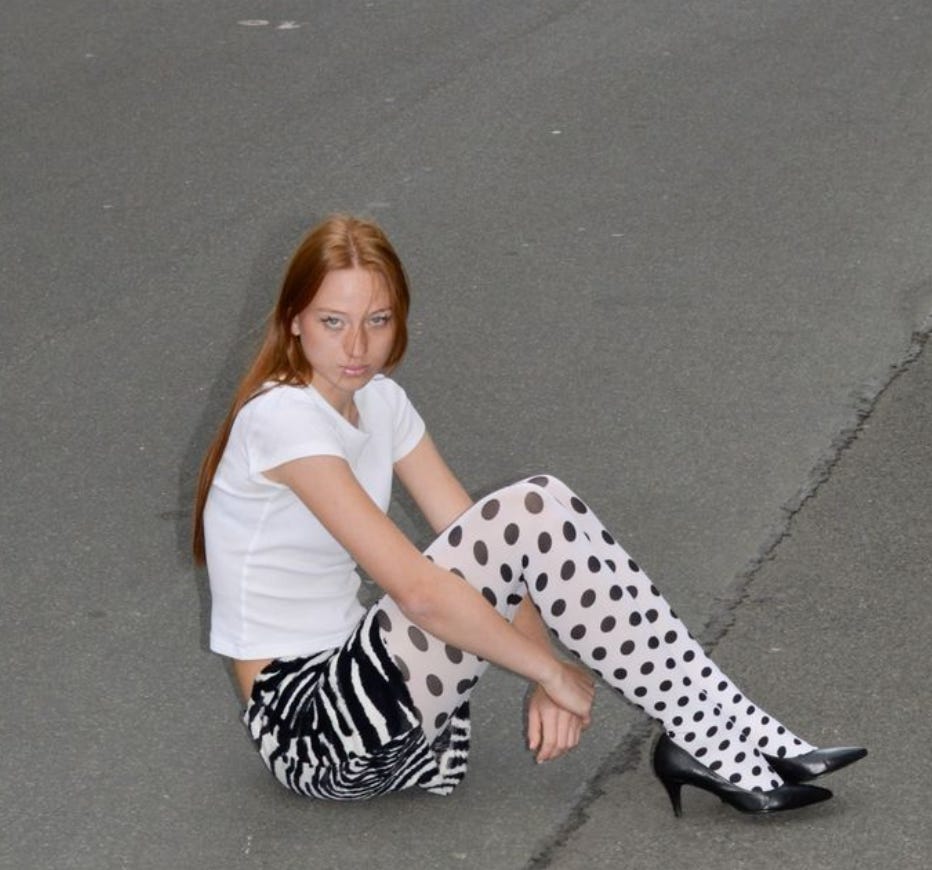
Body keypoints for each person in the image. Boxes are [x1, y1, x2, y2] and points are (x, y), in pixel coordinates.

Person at [192, 214, 865, 814]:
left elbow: (481, 542)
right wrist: (549, 673)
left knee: (537, 506)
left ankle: (724, 728)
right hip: (314, 729)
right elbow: (422, 594)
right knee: (531, 505)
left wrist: (544, 667)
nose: (357, 348)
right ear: (294, 320)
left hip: (383, 702)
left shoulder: (381, 403)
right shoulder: (282, 419)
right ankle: (713, 734)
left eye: (378, 320)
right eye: (333, 322)